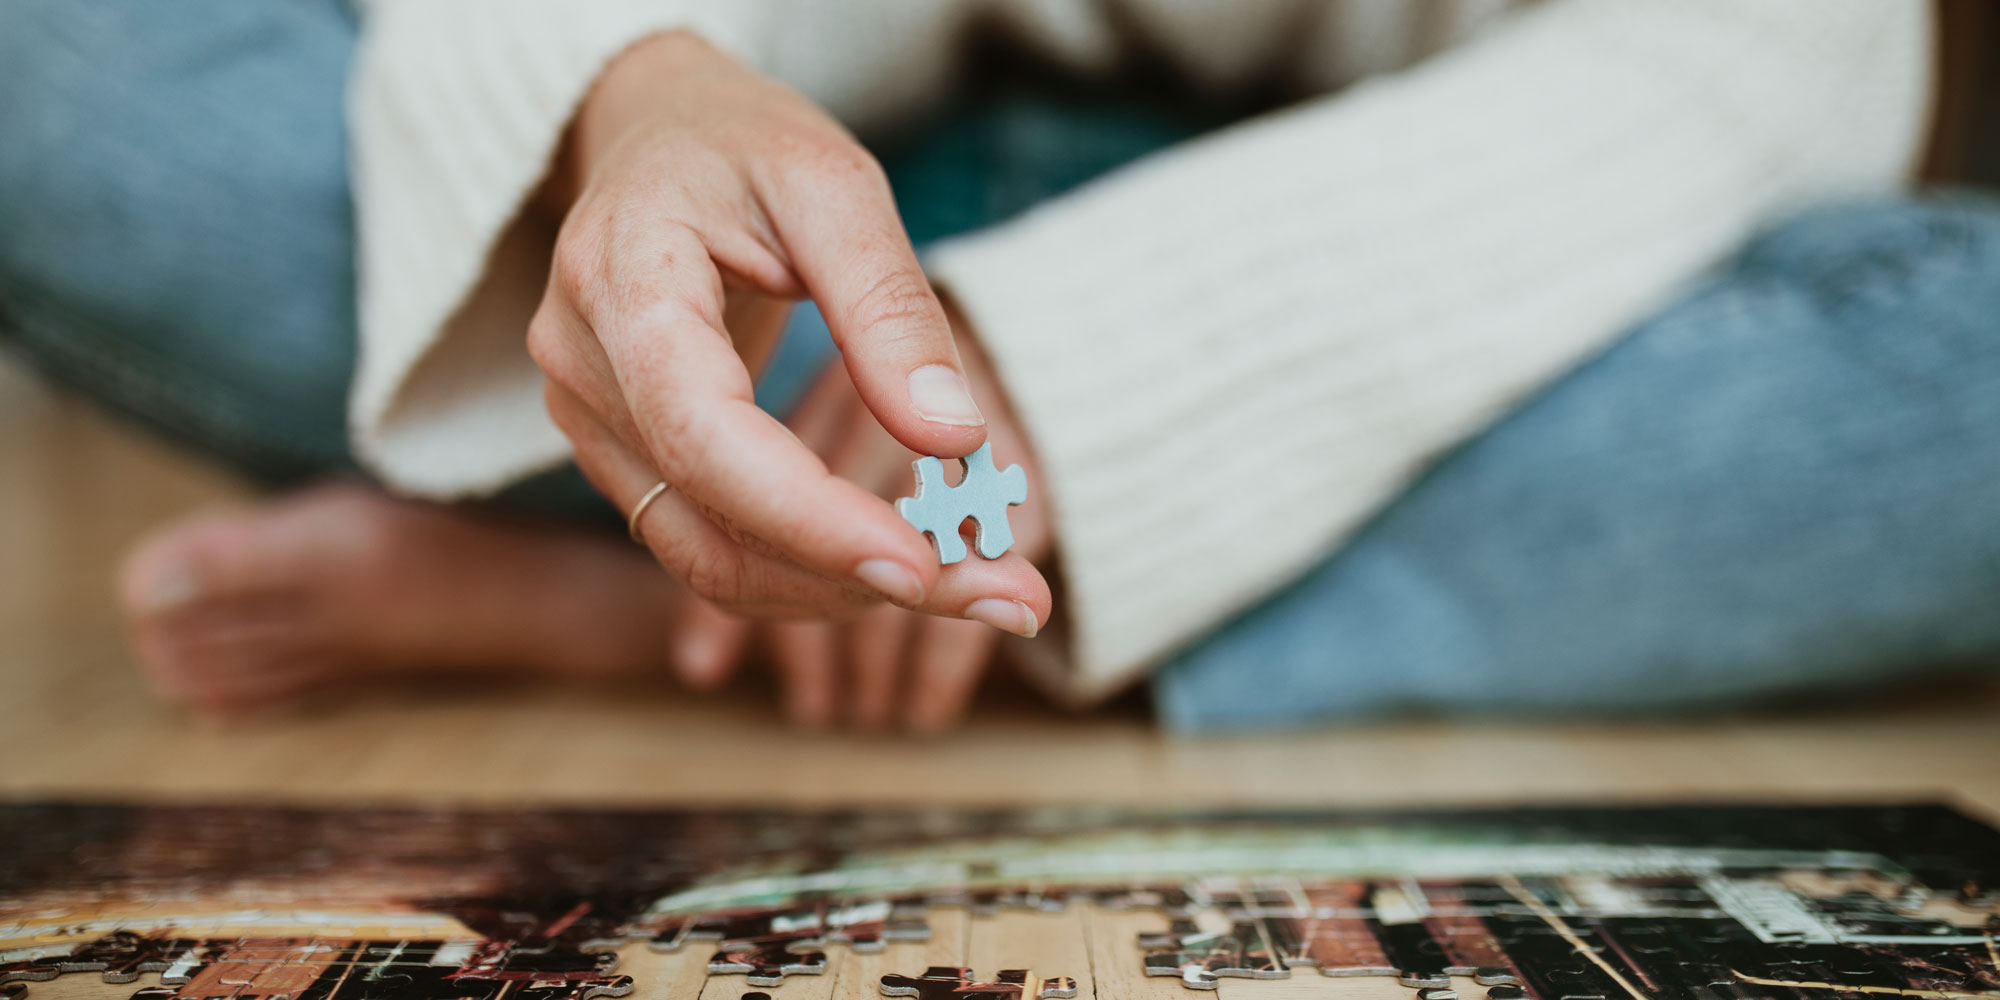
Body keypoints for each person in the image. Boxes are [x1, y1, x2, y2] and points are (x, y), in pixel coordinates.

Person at [4, 1, 1994, 733]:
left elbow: (1773, 54)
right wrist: (639, 93)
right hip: (832, 197)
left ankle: (681, 583)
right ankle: (922, 553)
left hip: (1462, 252)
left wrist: (1093, 360)